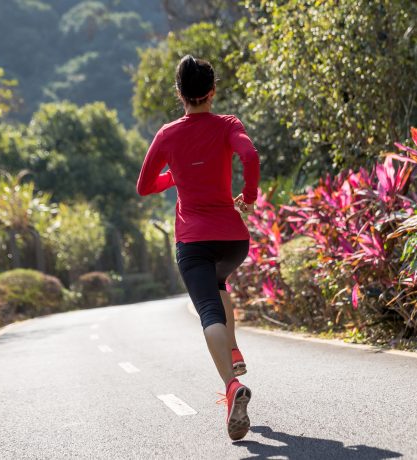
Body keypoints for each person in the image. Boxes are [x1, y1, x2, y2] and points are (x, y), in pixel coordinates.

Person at [136, 55, 260, 441]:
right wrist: (249, 196)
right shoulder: (227, 125)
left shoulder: (168, 135)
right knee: (219, 283)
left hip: (193, 241)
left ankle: (230, 386)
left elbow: (144, 186)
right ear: (212, 91)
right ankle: (235, 350)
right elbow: (250, 155)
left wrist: (176, 174)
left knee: (207, 310)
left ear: (180, 94)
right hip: (233, 239)